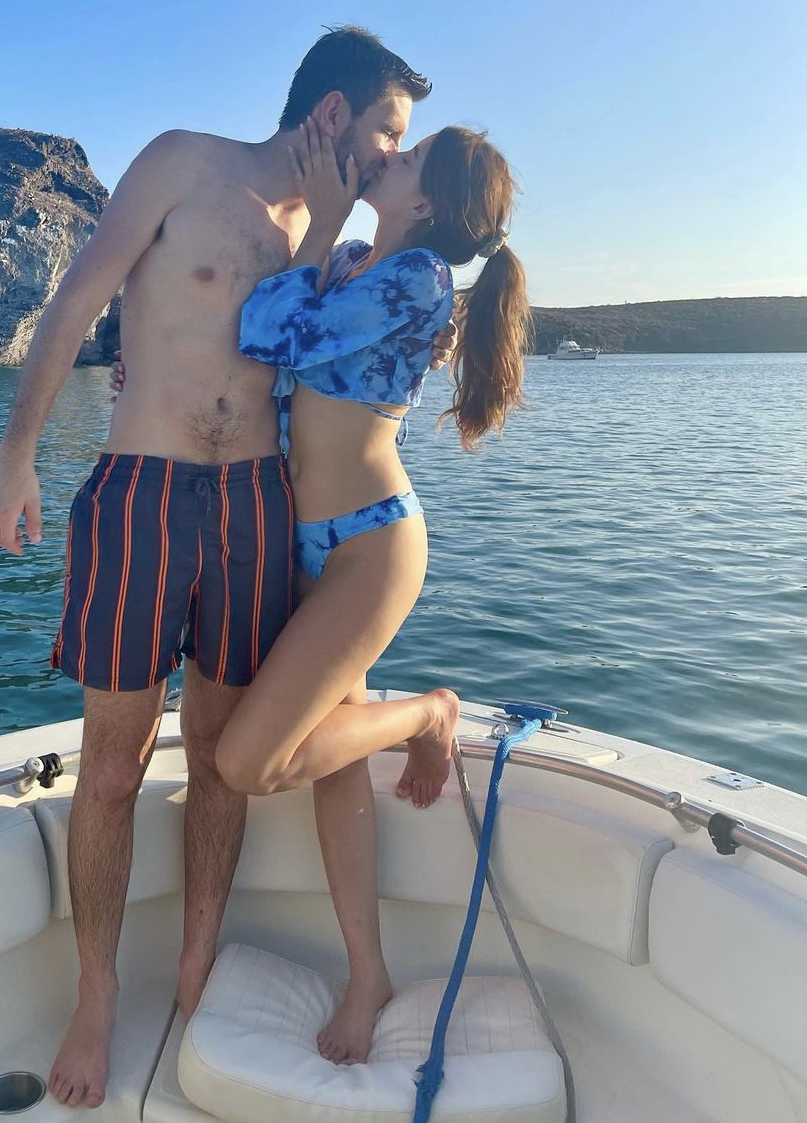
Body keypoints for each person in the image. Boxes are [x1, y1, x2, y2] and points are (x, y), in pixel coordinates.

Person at [0, 27, 456, 1109]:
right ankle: (98, 992)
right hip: (141, 492)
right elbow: (76, 302)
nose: (391, 153)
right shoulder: (184, 163)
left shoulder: (338, 246)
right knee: (112, 762)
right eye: (388, 130)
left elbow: (350, 384)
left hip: (258, 505)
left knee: (217, 754)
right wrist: (15, 458)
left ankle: (195, 962)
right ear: (332, 114)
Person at [210, 119, 530, 1060]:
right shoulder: (358, 260)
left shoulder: (416, 278)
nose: (388, 154)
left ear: (424, 203)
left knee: (250, 762)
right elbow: (264, 349)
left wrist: (318, 218)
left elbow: (268, 332)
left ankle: (430, 712)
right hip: (306, 548)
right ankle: (367, 975)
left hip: (369, 547)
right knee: (332, 762)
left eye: (409, 155)